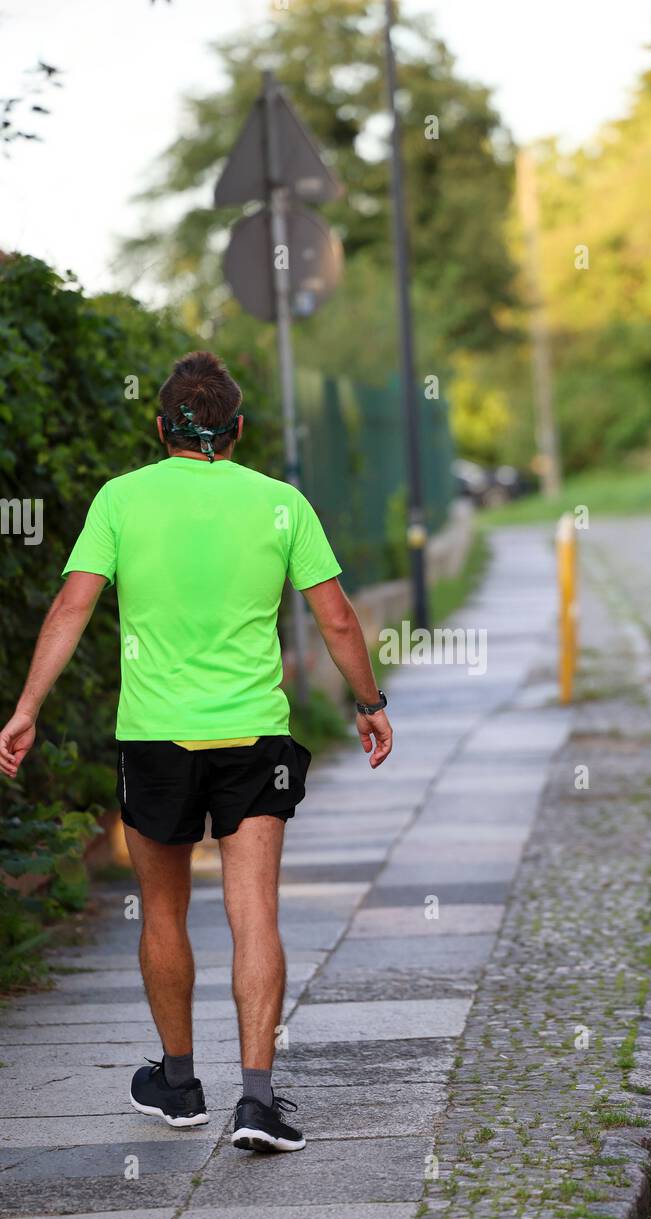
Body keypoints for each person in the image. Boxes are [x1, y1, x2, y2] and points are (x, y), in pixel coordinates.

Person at [0, 350, 393, 1154]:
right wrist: (369, 702)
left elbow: (74, 605)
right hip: (255, 737)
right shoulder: (281, 503)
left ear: (160, 428)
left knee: (165, 912)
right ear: (237, 430)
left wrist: (27, 706)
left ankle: (178, 1086)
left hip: (155, 738)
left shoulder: (122, 498)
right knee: (255, 915)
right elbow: (340, 621)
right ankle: (257, 1101)